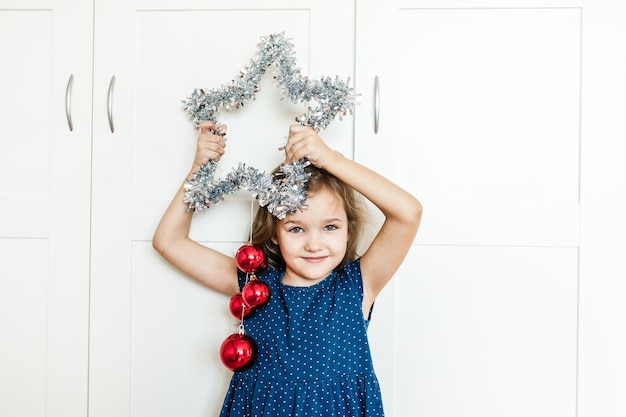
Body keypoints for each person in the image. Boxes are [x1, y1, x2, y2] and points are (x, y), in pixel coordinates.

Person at [153, 120, 422, 416]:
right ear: (276, 233)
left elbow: (408, 213)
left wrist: (328, 159)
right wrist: (199, 169)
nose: (314, 244)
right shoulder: (253, 286)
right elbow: (169, 241)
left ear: (348, 230)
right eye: (296, 229)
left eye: (330, 227)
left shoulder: (358, 285)